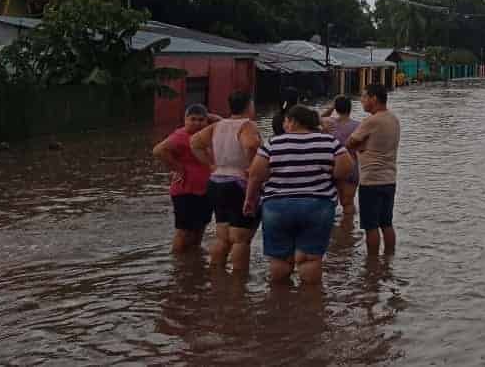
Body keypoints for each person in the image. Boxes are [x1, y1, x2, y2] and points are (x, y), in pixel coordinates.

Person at [245, 104, 352, 285]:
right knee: (310, 258)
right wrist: (327, 175)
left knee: (279, 258)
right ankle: (309, 306)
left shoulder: (274, 142)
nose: (285, 124)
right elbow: (345, 169)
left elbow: (256, 174)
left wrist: (249, 199)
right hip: (318, 205)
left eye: (286, 120)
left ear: (293, 122)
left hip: (277, 206)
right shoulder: (329, 142)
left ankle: (280, 303)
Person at [191, 91, 262, 273]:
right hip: (238, 183)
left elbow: (195, 142)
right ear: (248, 106)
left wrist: (212, 165)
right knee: (240, 238)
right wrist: (252, 166)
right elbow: (251, 145)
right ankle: (239, 282)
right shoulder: (247, 125)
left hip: (216, 182)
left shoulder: (218, 125)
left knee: (222, 236)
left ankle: (217, 277)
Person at [151, 103, 217, 254]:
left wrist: (210, 116)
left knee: (200, 228)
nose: (197, 123)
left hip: (205, 189)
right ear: (185, 120)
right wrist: (178, 168)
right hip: (185, 190)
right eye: (192, 119)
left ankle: (193, 263)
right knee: (183, 231)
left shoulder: (206, 134)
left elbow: (223, 123)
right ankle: (178, 265)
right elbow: (158, 150)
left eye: (201, 120)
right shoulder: (181, 135)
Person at [347, 84, 401, 256]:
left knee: (371, 226)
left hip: (371, 180)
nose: (362, 101)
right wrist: (364, 145)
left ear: (374, 99)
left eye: (364, 97)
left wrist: (361, 146)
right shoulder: (393, 119)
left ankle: (372, 264)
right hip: (389, 179)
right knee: (386, 223)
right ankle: (388, 260)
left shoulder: (372, 121)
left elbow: (350, 143)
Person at [322, 95, 361, 216]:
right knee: (348, 203)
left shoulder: (329, 123)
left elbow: (317, 118)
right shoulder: (358, 126)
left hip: (333, 167)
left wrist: (331, 107)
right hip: (352, 167)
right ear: (350, 108)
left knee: (330, 204)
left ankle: (333, 232)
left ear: (336, 109)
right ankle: (348, 231)